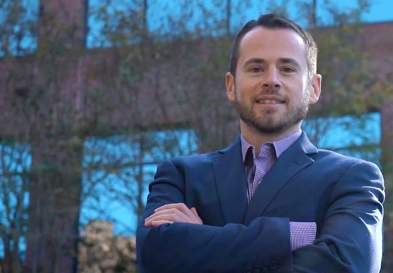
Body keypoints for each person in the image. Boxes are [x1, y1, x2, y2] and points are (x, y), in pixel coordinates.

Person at [136, 13, 384, 273]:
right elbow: (155, 255)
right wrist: (289, 235)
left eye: (287, 68)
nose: (271, 80)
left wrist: (203, 240)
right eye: (256, 68)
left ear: (313, 87)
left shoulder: (353, 178)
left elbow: (346, 267)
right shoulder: (181, 176)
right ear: (231, 86)